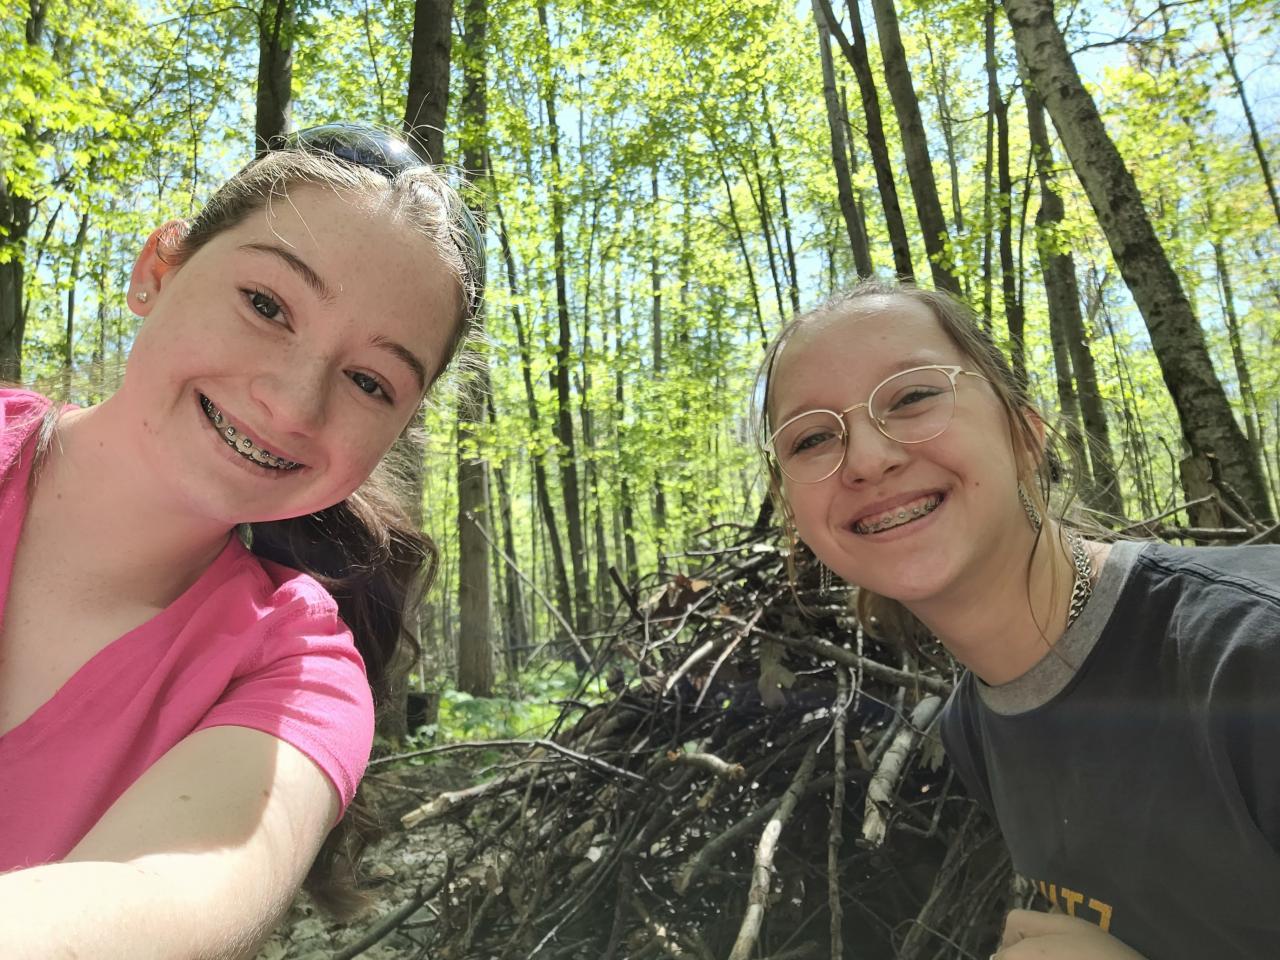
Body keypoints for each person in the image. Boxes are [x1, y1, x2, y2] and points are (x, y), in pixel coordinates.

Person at [0, 124, 483, 956]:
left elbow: (165, 899)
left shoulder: (302, 678)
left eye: (369, 382)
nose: (293, 403)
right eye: (266, 305)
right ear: (158, 271)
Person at [754, 281, 1280, 960]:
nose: (867, 459)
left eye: (912, 397)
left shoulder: (1250, 653)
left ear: (1025, 434)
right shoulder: (975, 727)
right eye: (811, 438)